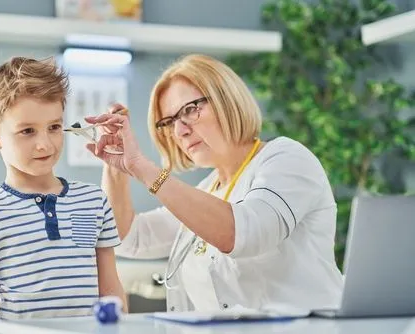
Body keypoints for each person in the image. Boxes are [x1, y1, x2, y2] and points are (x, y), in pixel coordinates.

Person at [85, 54, 344, 313]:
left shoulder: (286, 159)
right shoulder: (210, 189)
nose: (179, 131)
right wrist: (117, 165)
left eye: (189, 110)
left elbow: (244, 233)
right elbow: (131, 238)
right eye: (169, 122)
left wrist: (143, 167)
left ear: (226, 101)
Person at [0, 57, 126, 333]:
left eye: (54, 127)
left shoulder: (93, 202)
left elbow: (110, 289)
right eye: (27, 131)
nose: (44, 144)